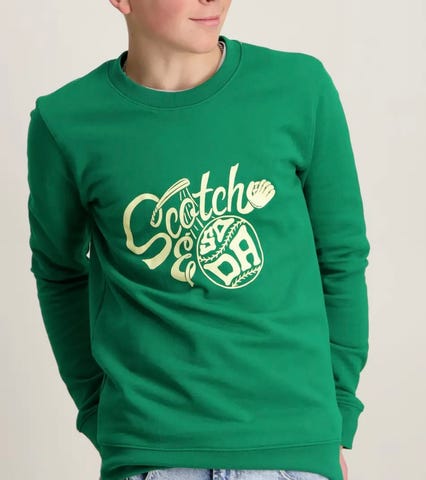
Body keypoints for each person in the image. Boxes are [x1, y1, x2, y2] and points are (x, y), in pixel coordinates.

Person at [26, 1, 370, 480]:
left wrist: (337, 413)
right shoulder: (67, 122)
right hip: (152, 457)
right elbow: (59, 272)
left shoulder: (298, 89)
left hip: (290, 452)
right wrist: (98, 411)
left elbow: (342, 257)